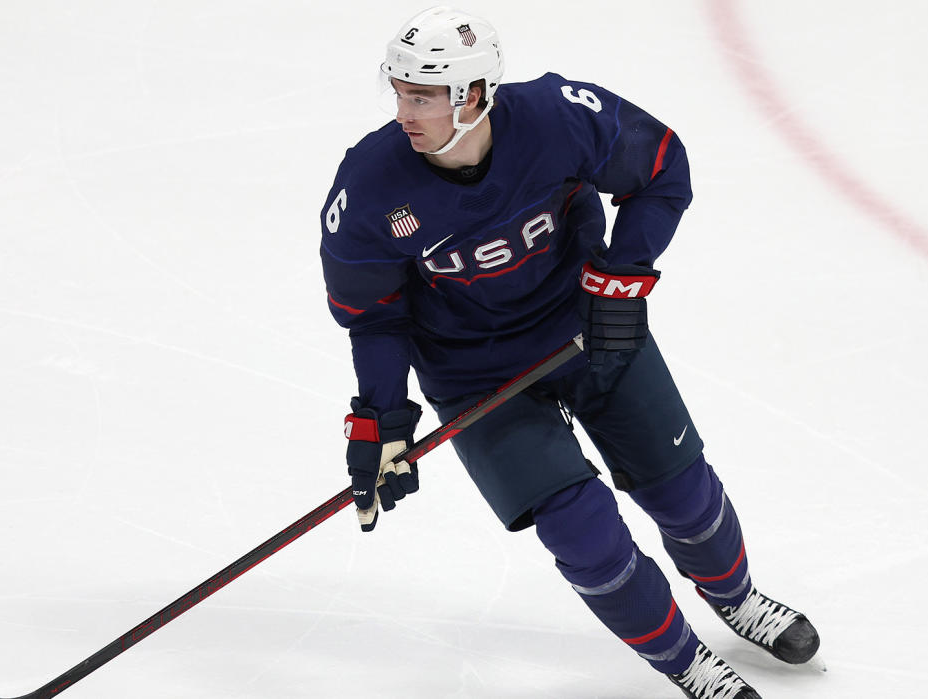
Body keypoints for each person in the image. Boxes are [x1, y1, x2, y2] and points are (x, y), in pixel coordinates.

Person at [319, 7, 820, 698]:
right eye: (400, 90)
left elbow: (662, 165)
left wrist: (621, 275)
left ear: (472, 95)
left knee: (682, 490)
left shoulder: (558, 116)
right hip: (474, 373)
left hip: (587, 329)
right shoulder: (370, 187)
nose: (405, 110)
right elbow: (373, 317)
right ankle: (687, 662)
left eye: (423, 95)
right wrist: (382, 417)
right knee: (581, 534)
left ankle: (735, 598)